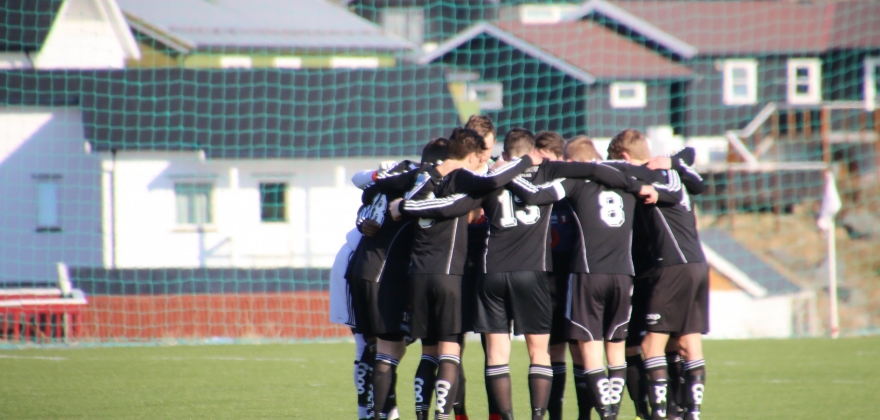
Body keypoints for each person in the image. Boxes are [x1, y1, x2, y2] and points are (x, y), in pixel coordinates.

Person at [386, 128, 539, 420]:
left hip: (417, 275)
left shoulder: (423, 178)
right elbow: (491, 182)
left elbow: (383, 188)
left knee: (428, 352)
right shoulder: (463, 178)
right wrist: (524, 162)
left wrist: (402, 206)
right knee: (449, 350)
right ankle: (444, 416)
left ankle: (421, 415)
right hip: (448, 275)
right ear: (471, 156)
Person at [508, 136, 658, 420]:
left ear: (572, 161)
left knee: (590, 352)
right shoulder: (626, 182)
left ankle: (606, 414)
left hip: (587, 274)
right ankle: (614, 410)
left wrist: (509, 174)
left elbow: (535, 196)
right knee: (616, 353)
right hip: (624, 275)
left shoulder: (575, 183)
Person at [606, 129, 707, 420]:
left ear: (624, 158)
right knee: (688, 343)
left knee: (651, 345)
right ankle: (691, 414)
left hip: (671, 267)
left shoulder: (649, 176)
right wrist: (674, 161)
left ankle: (661, 414)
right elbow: (688, 157)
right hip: (697, 263)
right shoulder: (671, 171)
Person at [345, 139, 449, 420]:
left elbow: (365, 200)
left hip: (359, 269)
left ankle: (370, 413)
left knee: (372, 346)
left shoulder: (392, 177)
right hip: (384, 273)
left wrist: (361, 220)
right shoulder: (422, 182)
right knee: (390, 349)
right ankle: (380, 414)